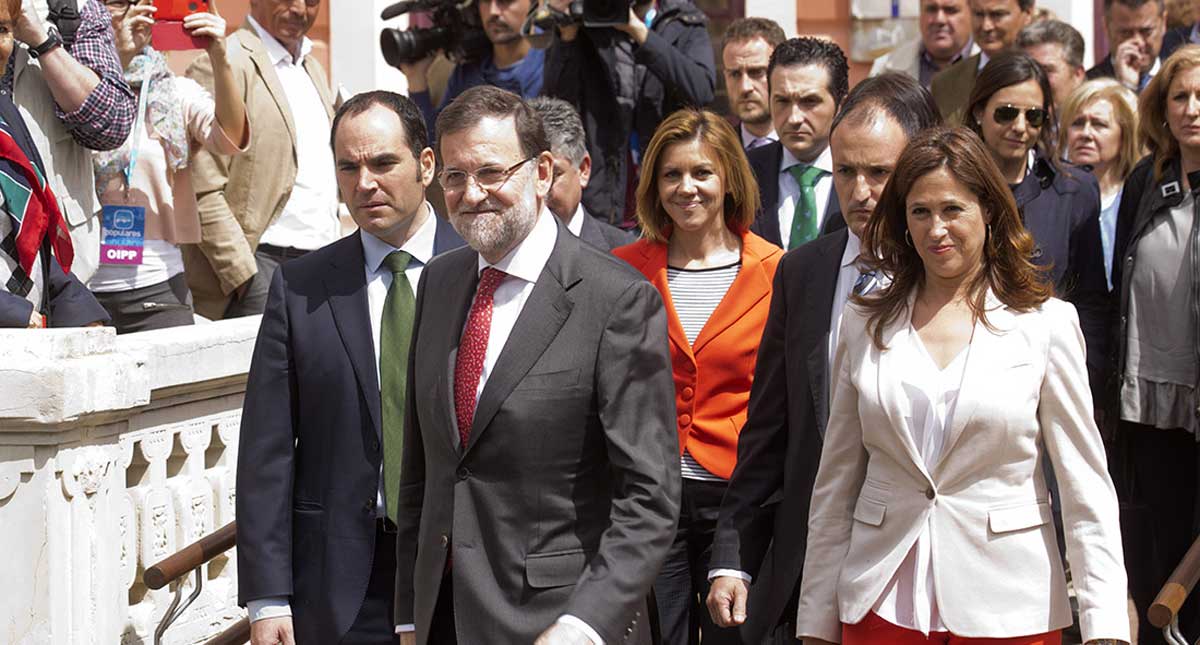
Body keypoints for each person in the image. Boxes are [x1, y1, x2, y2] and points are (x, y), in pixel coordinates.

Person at [795, 125, 1129, 645]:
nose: (936, 230)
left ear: (989, 210)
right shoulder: (865, 322)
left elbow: (1085, 486)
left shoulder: (1046, 324)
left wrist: (1105, 625)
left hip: (1009, 606)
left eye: (953, 209)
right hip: (880, 601)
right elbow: (835, 485)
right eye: (920, 212)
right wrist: (815, 624)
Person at [393, 85, 679, 645]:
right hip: (445, 619)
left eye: (491, 173)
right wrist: (410, 613)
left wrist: (585, 624)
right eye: (453, 176)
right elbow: (424, 470)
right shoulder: (440, 282)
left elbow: (649, 495)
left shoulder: (616, 298)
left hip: (561, 621)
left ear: (543, 172)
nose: (471, 194)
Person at [706, 72, 941, 645]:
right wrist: (733, 555)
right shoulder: (804, 271)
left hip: (927, 563)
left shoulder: (955, 276)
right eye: (845, 171)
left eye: (879, 173)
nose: (860, 191)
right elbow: (768, 427)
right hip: (813, 557)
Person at [236, 91, 465, 645]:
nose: (365, 183)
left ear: (426, 164)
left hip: (463, 572)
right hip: (343, 584)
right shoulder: (300, 287)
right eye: (348, 166)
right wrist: (267, 597)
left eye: (384, 163)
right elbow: (265, 450)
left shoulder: (481, 271)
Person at [611, 108, 780, 645]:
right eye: (672, 175)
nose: (687, 188)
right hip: (650, 497)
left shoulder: (775, 269)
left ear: (728, 177)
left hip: (737, 502)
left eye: (702, 173)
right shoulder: (622, 268)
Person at [1109, 43, 1200, 645]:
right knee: (1159, 547)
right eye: (1181, 96)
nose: (1193, 109)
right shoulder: (1148, 178)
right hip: (1151, 403)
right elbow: (1119, 281)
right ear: (1161, 108)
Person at [85, 0, 247, 334]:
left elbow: (230, 139)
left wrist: (220, 56)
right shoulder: (71, 89)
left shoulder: (174, 93)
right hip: (82, 290)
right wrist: (118, 59)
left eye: (144, 2)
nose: (135, 12)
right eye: (118, 3)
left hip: (158, 286)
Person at [963, 51, 1110, 398]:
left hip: (1046, 375)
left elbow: (1089, 298)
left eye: (1034, 117)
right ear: (978, 111)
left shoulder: (1073, 190)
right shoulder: (950, 183)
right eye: (1007, 113)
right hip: (964, 366)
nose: (1020, 127)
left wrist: (1088, 383)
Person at [182, 0, 337, 320]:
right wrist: (245, 277)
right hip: (263, 265)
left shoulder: (312, 67)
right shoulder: (224, 60)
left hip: (322, 260)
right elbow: (200, 187)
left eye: (311, 1)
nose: (299, 9)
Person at [543, 0, 716, 225]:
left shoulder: (683, 20)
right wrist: (567, 35)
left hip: (666, 195)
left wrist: (638, 30)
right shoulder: (589, 23)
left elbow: (700, 90)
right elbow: (556, 104)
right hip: (603, 198)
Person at [0, 0, 106, 328]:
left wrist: (81, 314)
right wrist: (14, 315)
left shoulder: (9, 118)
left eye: (2, 30)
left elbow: (38, 230)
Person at [747, 37, 848, 250]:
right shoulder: (743, 172)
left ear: (841, 105)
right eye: (782, 101)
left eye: (809, 101)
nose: (794, 118)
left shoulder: (868, 176)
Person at [400, 0, 542, 140]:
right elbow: (435, 143)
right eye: (485, 1)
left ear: (535, 3)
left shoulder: (553, 60)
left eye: (505, 1)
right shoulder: (469, 69)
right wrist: (416, 78)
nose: (493, 11)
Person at [1059, 79, 1140, 290]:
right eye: (1077, 123)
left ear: (1125, 136)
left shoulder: (1139, 198)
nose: (1085, 134)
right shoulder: (1051, 194)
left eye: (1099, 124)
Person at [528, 96, 633, 250]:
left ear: (583, 169)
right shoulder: (491, 254)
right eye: (527, 177)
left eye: (551, 175)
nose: (539, 191)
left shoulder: (624, 254)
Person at [931, 0, 1035, 125]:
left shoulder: (1044, 75)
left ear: (1028, 13)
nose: (986, 26)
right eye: (978, 14)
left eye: (997, 14)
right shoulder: (945, 83)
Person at [870, 0, 976, 89]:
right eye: (931, 9)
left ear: (971, 13)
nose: (940, 19)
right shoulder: (884, 69)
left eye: (950, 10)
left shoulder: (989, 65)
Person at [1087, 0, 1183, 91]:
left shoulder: (1182, 79)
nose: (1138, 42)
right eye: (1125, 33)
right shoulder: (1088, 87)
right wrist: (1126, 88)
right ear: (1106, 27)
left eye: (1146, 32)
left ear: (1163, 23)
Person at [722, 17, 786, 150]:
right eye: (734, 74)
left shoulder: (815, 150)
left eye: (757, 72)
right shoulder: (715, 153)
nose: (745, 87)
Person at [1018, 20, 1086, 115]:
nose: (1036, 80)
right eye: (1028, 70)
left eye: (1047, 70)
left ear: (1077, 74)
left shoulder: (1091, 125)